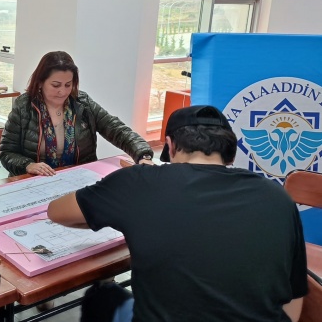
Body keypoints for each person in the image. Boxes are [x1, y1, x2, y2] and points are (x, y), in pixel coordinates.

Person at [47, 105, 308, 322]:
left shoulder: (138, 183)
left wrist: (118, 208)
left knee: (102, 298)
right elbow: (294, 300)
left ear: (170, 146)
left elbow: (57, 212)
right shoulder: (276, 196)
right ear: (230, 152)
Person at [0, 51, 153, 177]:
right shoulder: (24, 106)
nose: (62, 91)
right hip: (34, 180)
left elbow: (116, 129)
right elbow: (7, 152)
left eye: (68, 85)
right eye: (55, 85)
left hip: (78, 178)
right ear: (40, 82)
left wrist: (143, 155)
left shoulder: (82, 103)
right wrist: (28, 165)